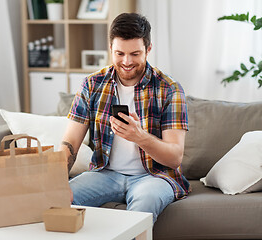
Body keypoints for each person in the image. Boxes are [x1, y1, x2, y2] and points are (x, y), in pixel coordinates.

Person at [60, 13, 190, 223]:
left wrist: (140, 137)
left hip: (154, 177)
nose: (127, 62)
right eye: (119, 53)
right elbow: (70, 144)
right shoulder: (92, 85)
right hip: (105, 174)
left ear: (148, 49)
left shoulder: (169, 89)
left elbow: (174, 158)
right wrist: (56, 183)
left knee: (143, 206)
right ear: (110, 48)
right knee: (57, 199)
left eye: (135, 54)